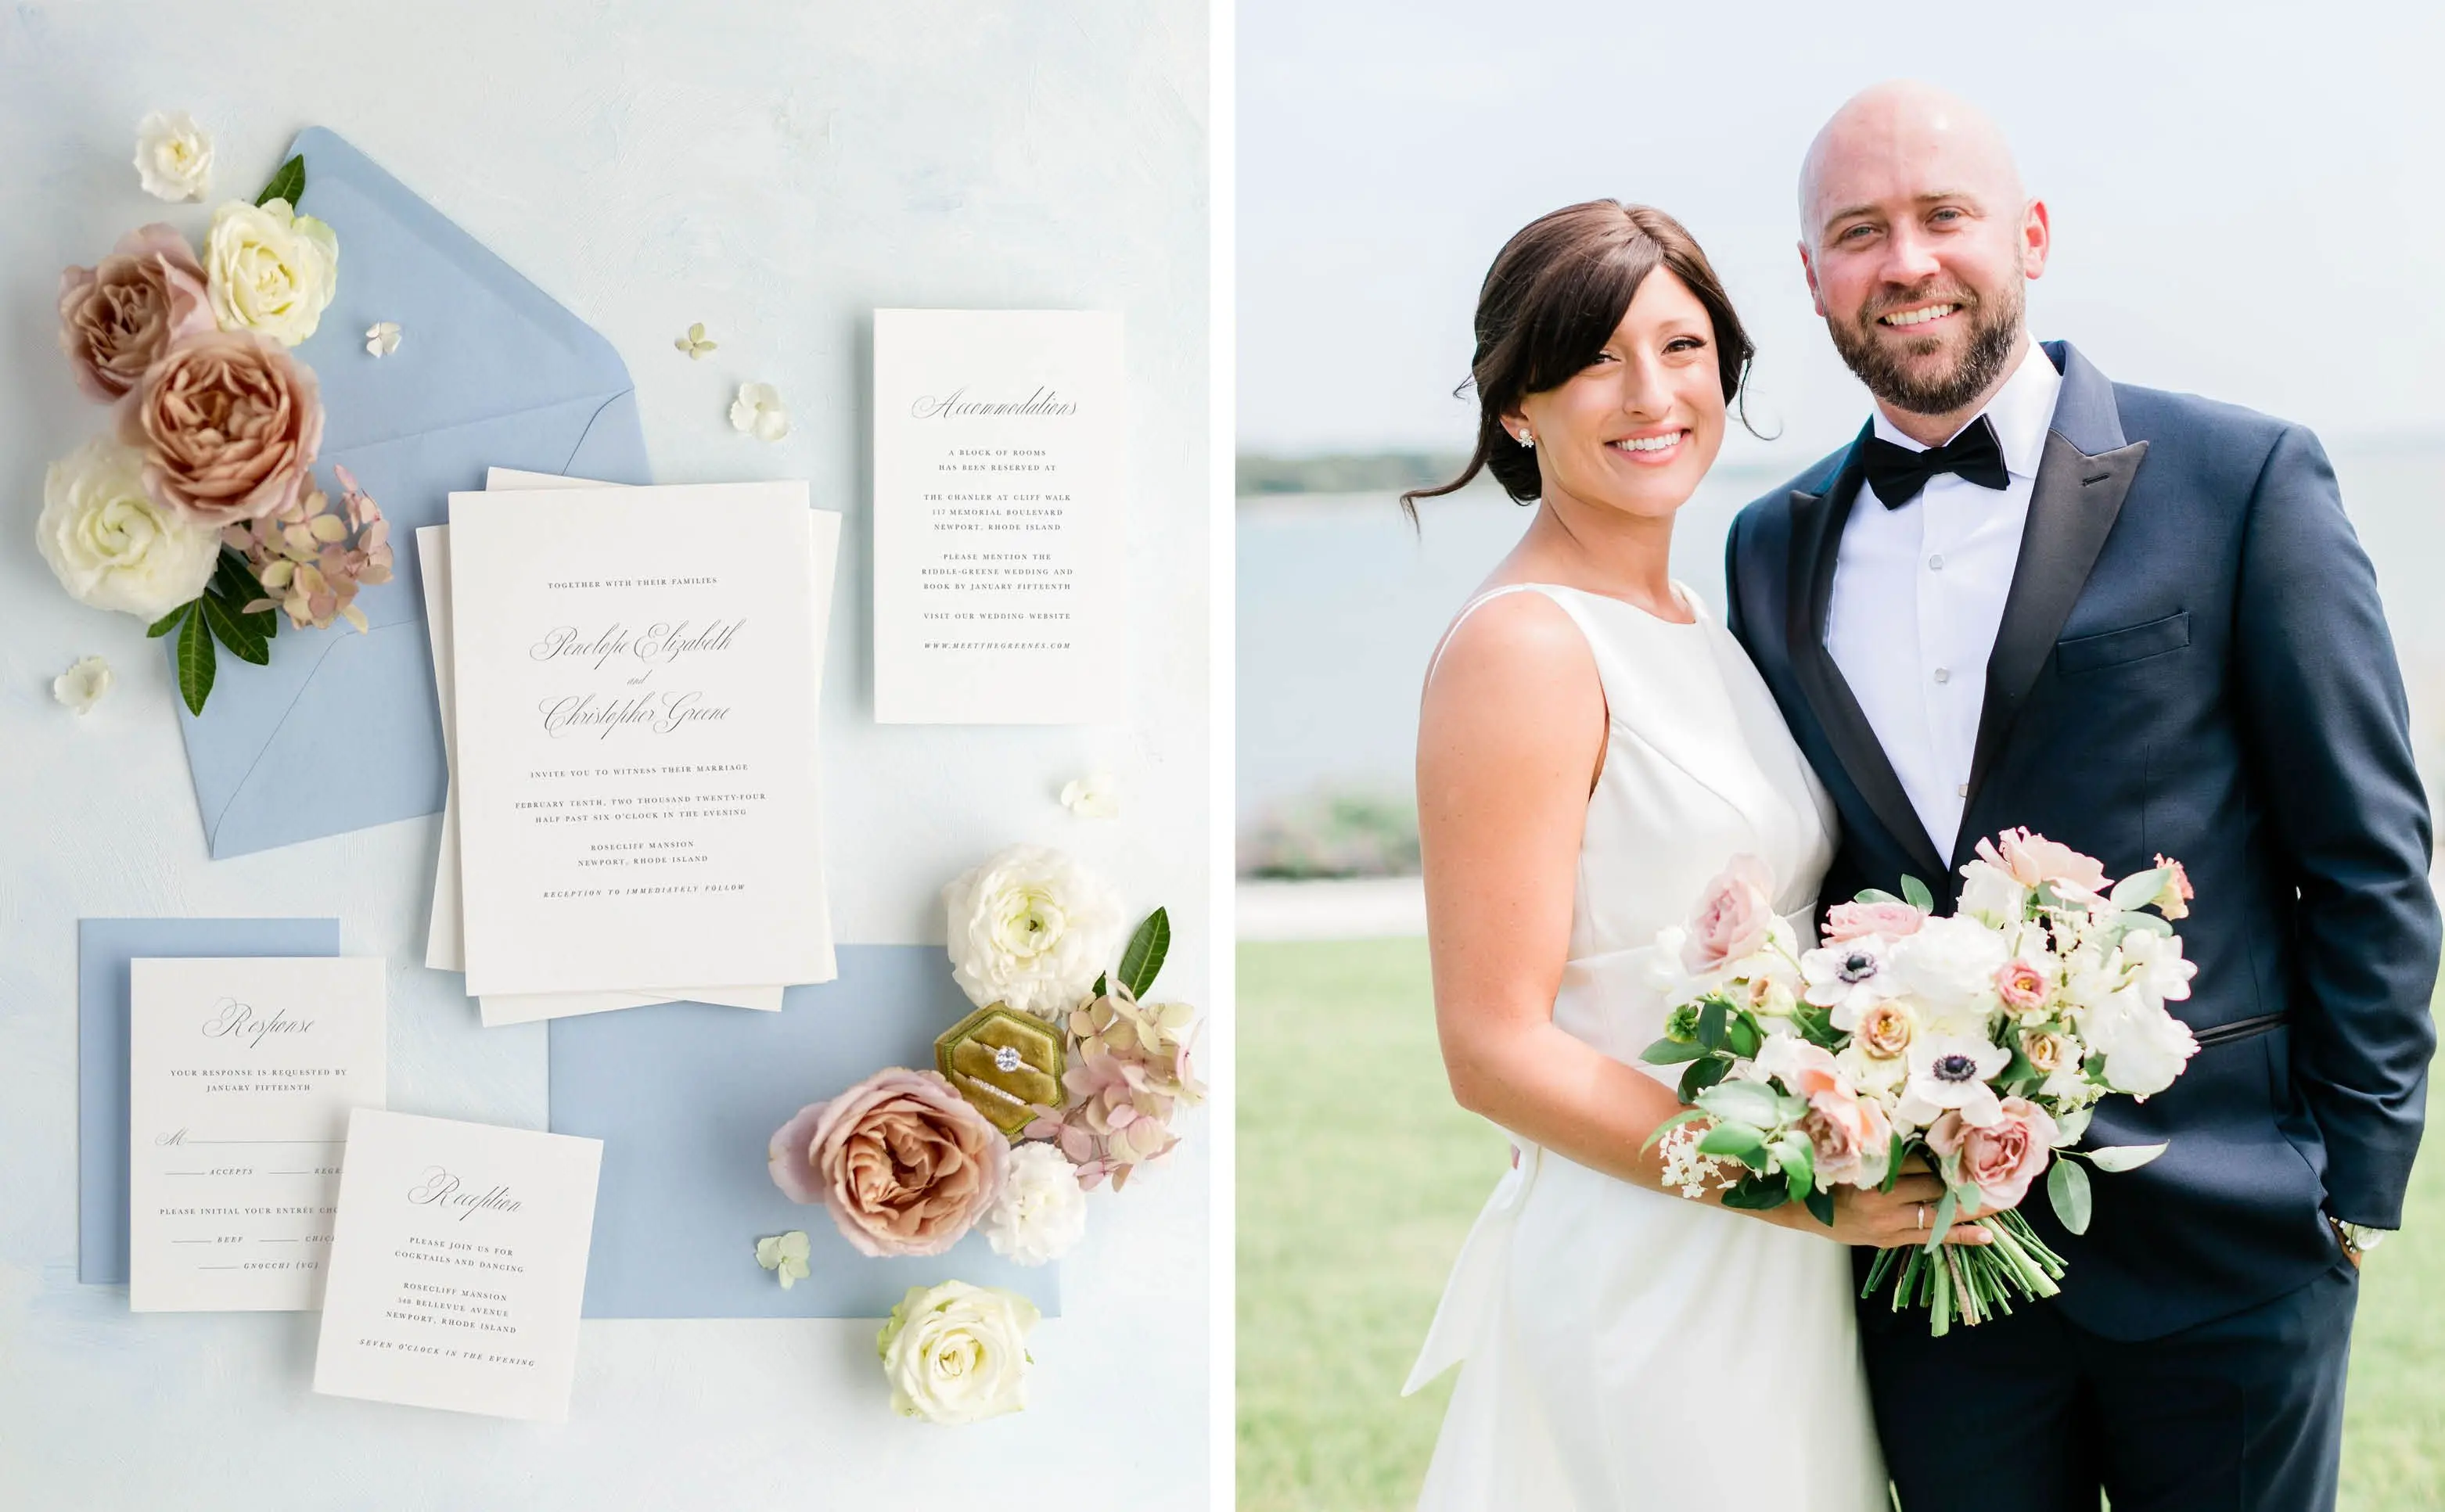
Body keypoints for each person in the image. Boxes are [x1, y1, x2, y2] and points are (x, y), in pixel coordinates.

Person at [1724, 81, 2440, 1511]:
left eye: (1945, 215)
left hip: (2230, 1245)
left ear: (2031, 234)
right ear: (1811, 278)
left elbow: (2368, 853)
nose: (1907, 261)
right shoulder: (1767, 547)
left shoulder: (2243, 479)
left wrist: (2350, 1190)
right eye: (1859, 232)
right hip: (1932, 1271)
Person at [1398, 200, 1958, 1510]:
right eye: (1598, 357)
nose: (1652, 394)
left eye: (1685, 347)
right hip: (1656, 1259)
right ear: (1518, 408)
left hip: (1782, 1264)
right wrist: (1782, 1189)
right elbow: (1493, 1047)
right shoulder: (1525, 647)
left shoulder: (1699, 623)